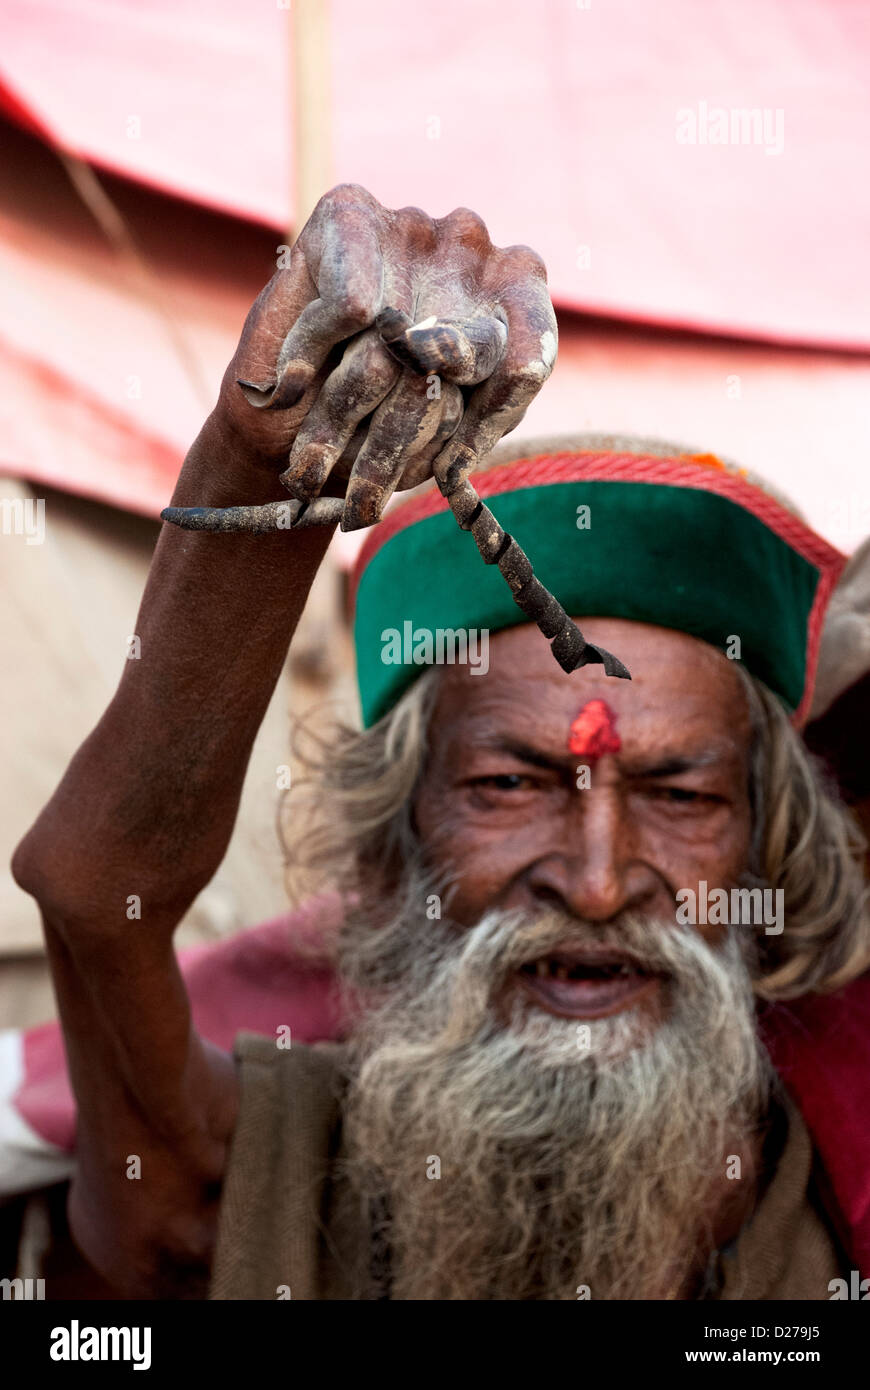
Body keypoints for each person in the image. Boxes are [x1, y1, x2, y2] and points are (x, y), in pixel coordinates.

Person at [12, 186, 870, 1301]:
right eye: (511, 783)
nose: (598, 881)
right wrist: (273, 455)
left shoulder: (833, 1199)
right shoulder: (255, 1173)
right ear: (395, 841)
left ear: (769, 852)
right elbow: (95, 894)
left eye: (680, 794)